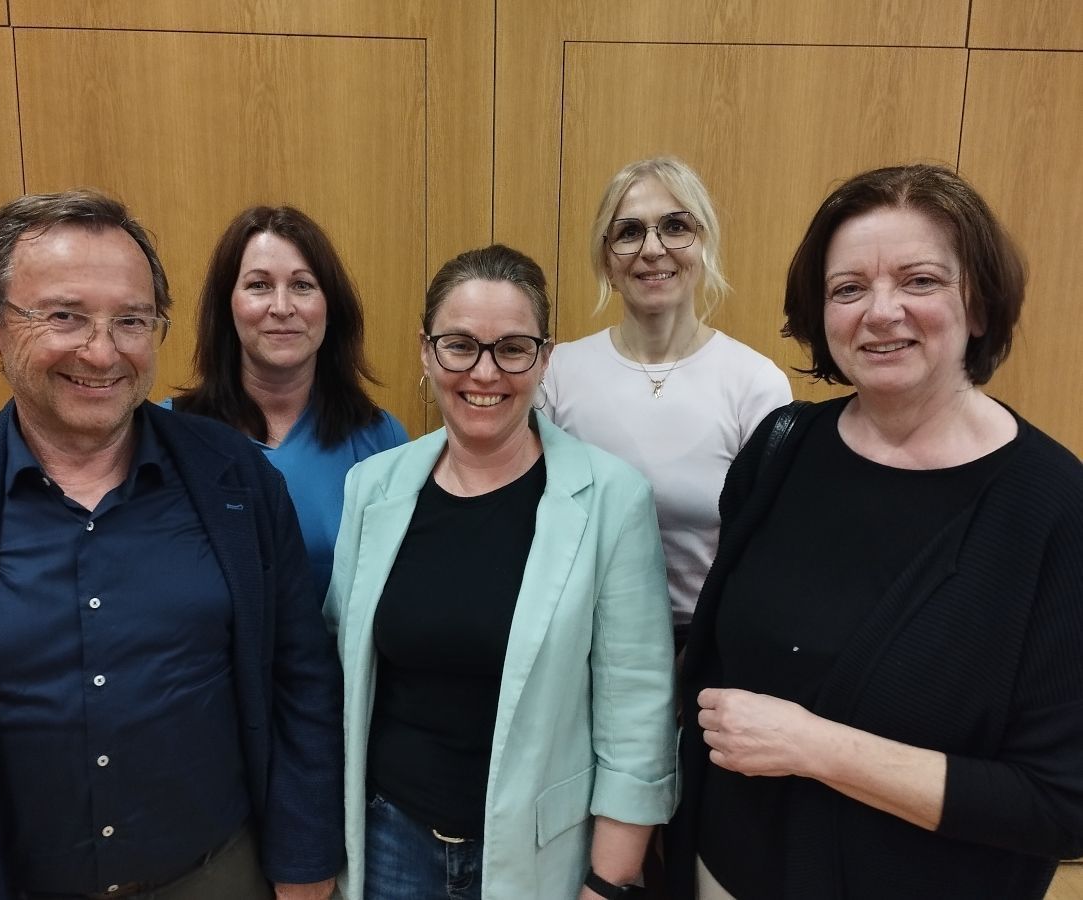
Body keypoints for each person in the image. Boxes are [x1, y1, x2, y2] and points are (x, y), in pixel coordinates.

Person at [0, 190, 343, 900]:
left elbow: (301, 681)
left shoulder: (237, 480)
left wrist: (306, 866)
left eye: (130, 320)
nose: (101, 353)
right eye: (65, 316)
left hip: (215, 877)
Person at [666, 164, 1083, 899]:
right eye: (848, 288)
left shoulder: (1053, 508)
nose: (881, 311)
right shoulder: (780, 449)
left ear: (978, 306)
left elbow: (1061, 804)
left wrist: (815, 748)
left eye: (919, 281)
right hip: (722, 875)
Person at [323, 245, 678, 899]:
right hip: (390, 841)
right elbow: (340, 676)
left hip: (538, 855)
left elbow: (636, 713)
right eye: (459, 346)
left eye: (512, 348)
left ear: (544, 358)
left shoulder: (611, 499)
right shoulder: (372, 488)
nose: (484, 372)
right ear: (425, 352)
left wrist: (609, 881)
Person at [543, 156, 791, 649]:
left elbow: (770, 552)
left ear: (703, 242)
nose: (653, 250)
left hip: (708, 643)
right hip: (582, 639)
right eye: (629, 232)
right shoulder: (558, 373)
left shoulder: (755, 384)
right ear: (606, 258)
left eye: (676, 227)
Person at [170, 205, 407, 598]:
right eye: (259, 285)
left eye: (302, 285)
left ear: (331, 307)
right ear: (227, 305)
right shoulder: (168, 434)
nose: (282, 307)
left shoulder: (382, 441)